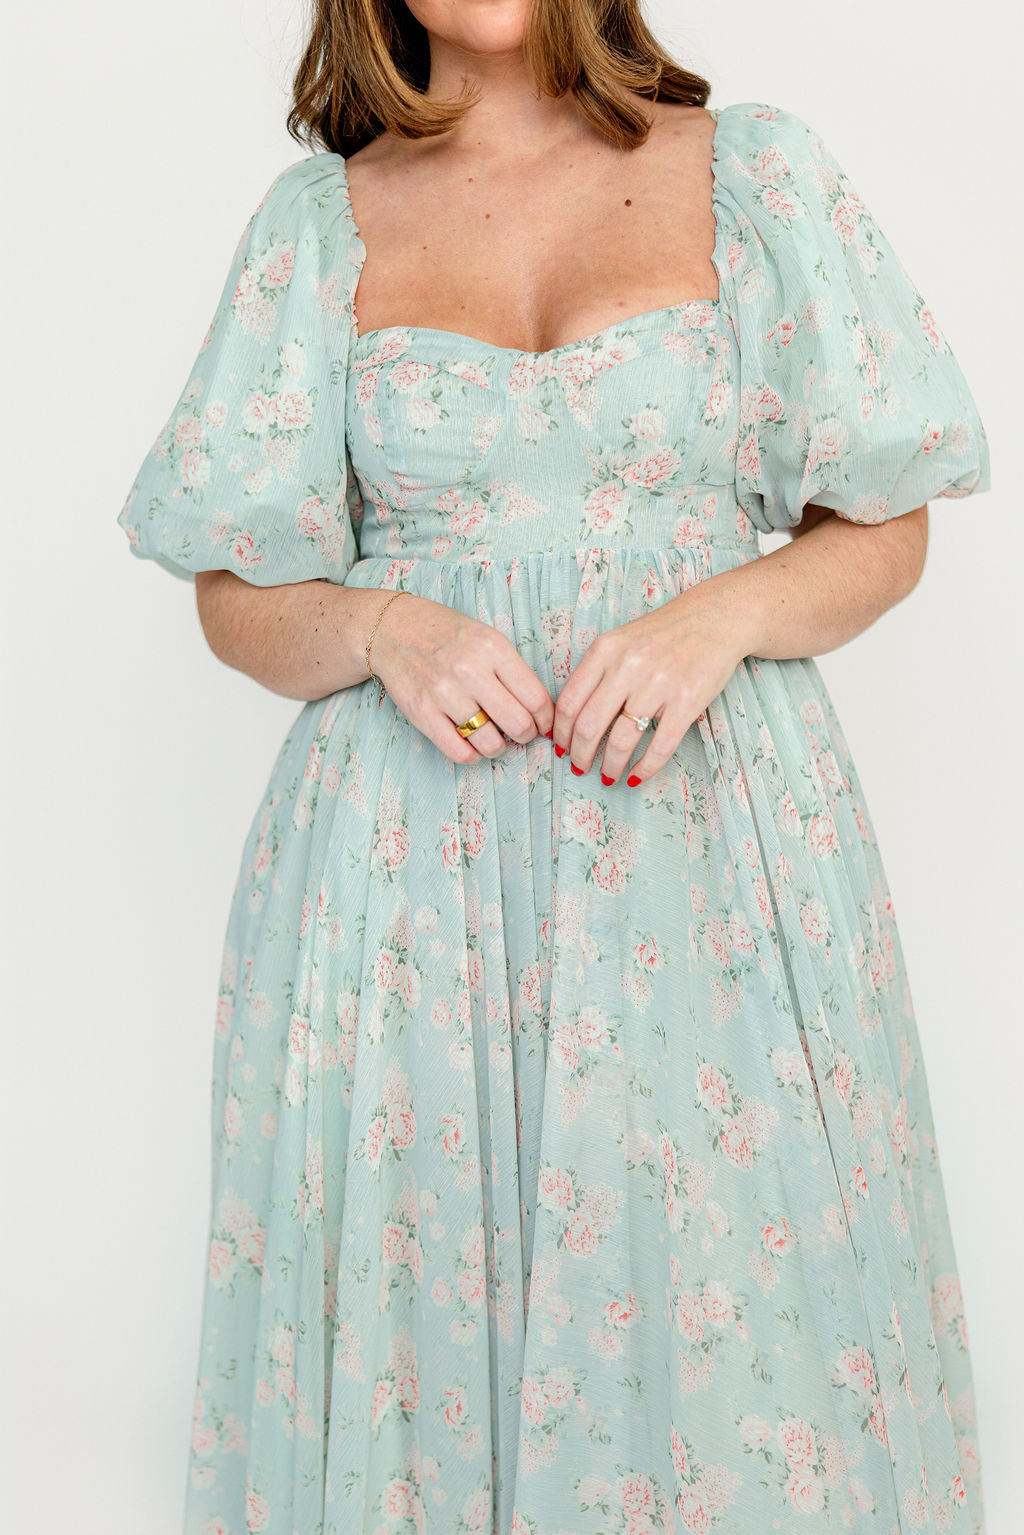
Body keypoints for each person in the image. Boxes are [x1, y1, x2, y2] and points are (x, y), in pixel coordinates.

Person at [116, 3, 992, 1532]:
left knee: (739, 1319)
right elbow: (235, 596)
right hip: (399, 888)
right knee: (426, 1314)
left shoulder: (753, 175)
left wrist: (723, 615)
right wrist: (379, 625)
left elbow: (889, 520)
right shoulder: (316, 228)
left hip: (712, 869)